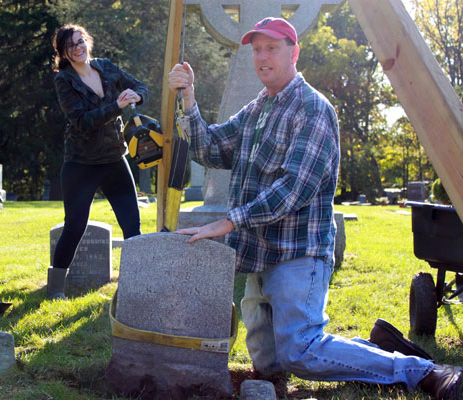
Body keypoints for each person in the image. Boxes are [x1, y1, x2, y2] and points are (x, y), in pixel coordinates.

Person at [169, 17, 462, 399]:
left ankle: (424, 372)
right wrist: (188, 98)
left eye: (272, 48)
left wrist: (230, 221)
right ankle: (380, 347)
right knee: (269, 364)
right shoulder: (257, 109)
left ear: (295, 52)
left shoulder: (312, 108)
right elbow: (210, 147)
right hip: (262, 255)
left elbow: (294, 189)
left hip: (298, 254)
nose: (262, 57)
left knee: (300, 351)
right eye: (257, 49)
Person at [48, 24, 147, 300]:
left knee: (132, 227)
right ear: (63, 53)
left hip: (115, 158)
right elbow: (81, 122)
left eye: (81, 42)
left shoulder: (105, 67)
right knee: (75, 226)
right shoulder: (64, 81)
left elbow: (140, 85)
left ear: (87, 42)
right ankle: (56, 288)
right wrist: (116, 106)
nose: (78, 48)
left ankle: (134, 286)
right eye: (71, 46)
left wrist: (135, 96)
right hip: (81, 164)